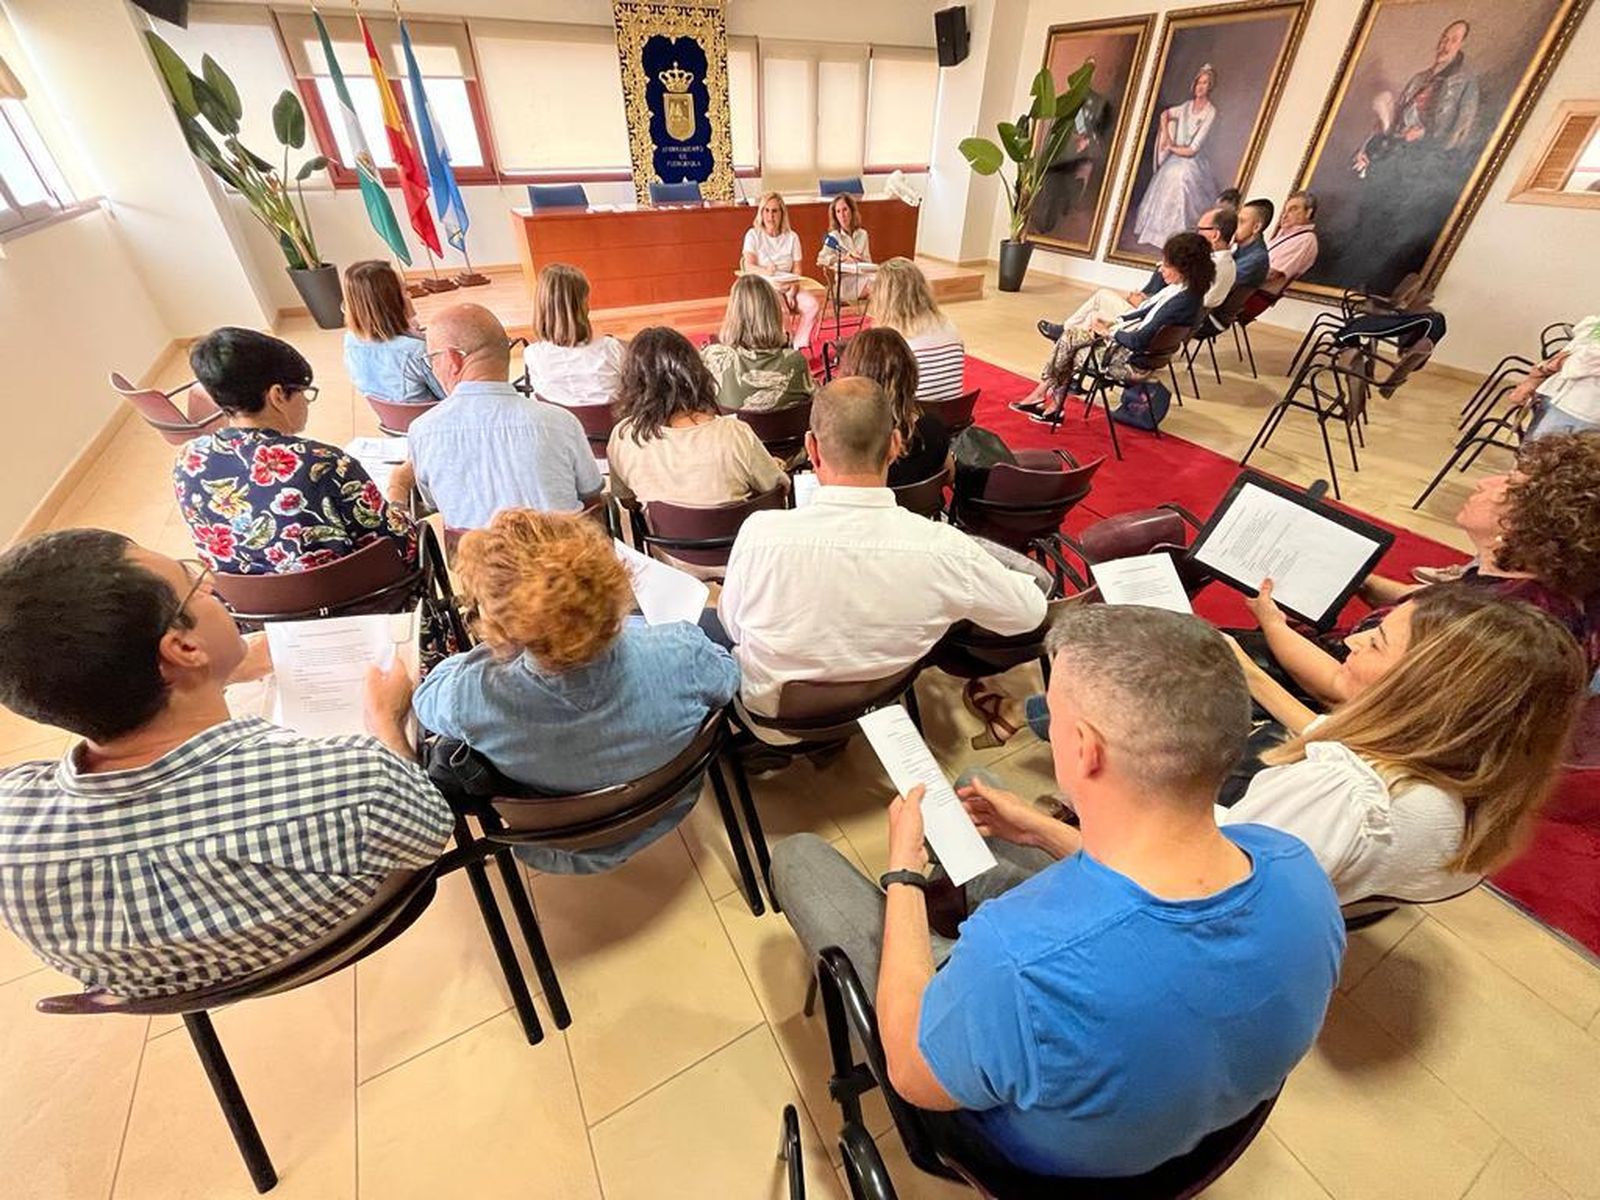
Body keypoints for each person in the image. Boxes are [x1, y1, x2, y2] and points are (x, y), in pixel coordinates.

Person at [770, 605, 1342, 1178]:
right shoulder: (1293, 863)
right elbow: (1164, 897)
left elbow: (913, 1078)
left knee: (798, 859)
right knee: (986, 791)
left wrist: (904, 875)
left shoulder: (1015, 959)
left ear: (1086, 749)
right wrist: (1043, 830)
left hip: (1035, 1162)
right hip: (1191, 1118)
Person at [0, 530, 453, 997]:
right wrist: (385, 720)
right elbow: (431, 824)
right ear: (182, 649)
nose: (213, 583)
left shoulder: (10, 841)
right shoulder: (355, 781)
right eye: (193, 580)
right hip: (353, 933)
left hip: (205, 984)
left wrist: (209, 674)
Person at [412, 510, 738, 874]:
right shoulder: (683, 650)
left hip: (562, 840)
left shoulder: (473, 695)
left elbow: (425, 701)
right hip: (670, 803)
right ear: (610, 579)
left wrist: (494, 651)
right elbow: (727, 680)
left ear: (504, 622)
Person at [1225, 588, 1584, 903]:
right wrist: (1245, 668)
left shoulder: (1343, 789)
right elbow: (1331, 733)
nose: (1353, 641)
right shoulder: (1479, 770)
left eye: (1376, 642)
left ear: (1425, 686)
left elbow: (1218, 884)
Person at [717, 377, 1046, 717]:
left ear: (812, 449)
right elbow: (1029, 613)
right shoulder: (943, 549)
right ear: (894, 444)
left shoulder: (761, 534)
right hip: (885, 699)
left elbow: (733, 627)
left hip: (775, 716)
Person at [1253, 431, 1600, 696]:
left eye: (1509, 485)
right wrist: (1357, 576)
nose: (1485, 482)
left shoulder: (1501, 622)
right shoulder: (1542, 584)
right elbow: (1421, 601)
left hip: (1337, 705)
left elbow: (1346, 690)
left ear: (1536, 522)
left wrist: (1272, 625)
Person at [175, 327, 416, 574]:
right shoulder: (325, 463)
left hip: (252, 609)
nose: (306, 401)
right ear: (278, 396)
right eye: (303, 391)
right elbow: (403, 549)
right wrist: (398, 490)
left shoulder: (189, 461)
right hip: (351, 602)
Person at [397, 304, 603, 532]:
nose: (433, 367)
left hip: (480, 564)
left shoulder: (422, 432)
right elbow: (591, 495)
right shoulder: (560, 421)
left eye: (432, 358)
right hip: (567, 562)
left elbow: (435, 504)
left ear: (452, 359)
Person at [1012, 232, 1215, 422]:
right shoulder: (1185, 291)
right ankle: (1046, 401)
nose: (1161, 268)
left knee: (1068, 344)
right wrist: (1114, 322)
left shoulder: (1182, 301)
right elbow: (1144, 313)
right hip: (1135, 352)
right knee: (1072, 337)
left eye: (1167, 264)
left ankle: (1045, 399)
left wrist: (1110, 332)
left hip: (1130, 363)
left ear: (1185, 267)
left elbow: (1139, 340)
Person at [607, 326, 789, 509]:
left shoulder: (624, 436)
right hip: (735, 535)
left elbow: (627, 501)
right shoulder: (734, 434)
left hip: (662, 535)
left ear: (632, 381)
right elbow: (778, 489)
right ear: (696, 371)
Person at [1069, 207, 1238, 326]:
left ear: (1215, 235)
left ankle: (1065, 336)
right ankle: (1066, 337)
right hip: (1168, 321)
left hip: (1156, 322)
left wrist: (1146, 303)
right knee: (1097, 310)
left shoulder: (1209, 270)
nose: (1197, 233)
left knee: (1099, 303)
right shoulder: (1226, 264)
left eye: (1201, 229)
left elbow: (1170, 307)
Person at [839, 327, 951, 488]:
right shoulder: (932, 430)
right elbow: (948, 476)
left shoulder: (842, 440)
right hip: (920, 511)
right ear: (910, 371)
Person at [1132, 65, 1220, 250]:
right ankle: (1158, 235)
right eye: (1198, 82)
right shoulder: (1186, 107)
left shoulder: (1210, 112)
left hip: (1192, 161)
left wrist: (1172, 147)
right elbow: (1165, 114)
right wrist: (1167, 136)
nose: (1200, 87)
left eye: (1205, 83)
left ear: (1210, 86)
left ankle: (1178, 239)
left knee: (1181, 179)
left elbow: (1193, 149)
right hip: (1175, 158)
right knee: (1169, 175)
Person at [702, 275, 816, 413]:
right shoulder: (795, 361)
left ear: (733, 314)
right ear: (774, 313)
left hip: (732, 433)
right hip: (787, 433)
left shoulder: (713, 357)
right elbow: (814, 402)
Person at [521, 262, 625, 408]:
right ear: (582, 305)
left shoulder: (532, 355)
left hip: (559, 429)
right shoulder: (610, 348)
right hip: (611, 429)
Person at [342, 260, 445, 405]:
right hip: (429, 420)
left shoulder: (350, 340)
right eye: (404, 290)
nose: (409, 295)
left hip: (392, 421)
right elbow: (449, 395)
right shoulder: (417, 350)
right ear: (392, 301)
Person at [867, 258, 966, 405]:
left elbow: (875, 389)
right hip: (953, 417)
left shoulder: (891, 338)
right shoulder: (948, 325)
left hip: (912, 420)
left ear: (884, 297)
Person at [742, 191, 823, 350]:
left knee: (812, 305)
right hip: (765, 286)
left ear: (782, 214)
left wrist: (793, 289)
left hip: (789, 285)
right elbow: (748, 267)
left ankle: (798, 345)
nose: (770, 216)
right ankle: (786, 345)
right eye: (766, 210)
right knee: (783, 311)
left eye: (774, 211)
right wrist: (766, 271)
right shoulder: (753, 235)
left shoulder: (792, 237)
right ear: (761, 212)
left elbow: (797, 268)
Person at [1517, 316, 1600, 439]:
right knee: (1532, 450)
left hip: (1582, 411)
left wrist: (1551, 366)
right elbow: (1573, 348)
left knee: (1547, 454)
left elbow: (1582, 362)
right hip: (1556, 396)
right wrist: (1536, 377)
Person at [816, 191, 874, 305]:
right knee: (876, 288)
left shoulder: (863, 234)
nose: (842, 215)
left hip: (864, 277)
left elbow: (869, 263)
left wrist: (860, 259)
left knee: (885, 283)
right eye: (838, 211)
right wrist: (843, 258)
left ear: (852, 211)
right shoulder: (834, 236)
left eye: (845, 210)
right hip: (845, 284)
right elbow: (820, 259)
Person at [1263, 190, 1319, 293]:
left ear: (1308, 212)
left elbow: (1273, 274)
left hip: (1255, 295)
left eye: (1293, 209)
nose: (1284, 215)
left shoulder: (1305, 240)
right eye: (1285, 210)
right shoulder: (1284, 235)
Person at [1230, 197, 1275, 292]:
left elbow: (1219, 282)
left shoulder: (1256, 258)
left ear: (1256, 227)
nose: (1234, 226)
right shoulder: (1243, 249)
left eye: (1241, 222)